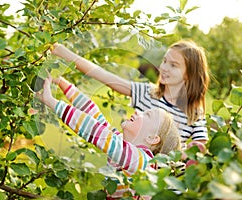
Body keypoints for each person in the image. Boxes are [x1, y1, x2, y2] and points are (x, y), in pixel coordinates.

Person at [37, 73, 181, 198]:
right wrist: (64, 84)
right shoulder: (122, 146)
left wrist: (51, 101)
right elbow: (93, 115)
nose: (138, 111)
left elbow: (94, 130)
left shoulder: (142, 161)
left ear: (152, 138)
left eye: (147, 114)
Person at [50, 39, 210, 149]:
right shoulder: (146, 93)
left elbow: (199, 148)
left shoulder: (194, 113)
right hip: (128, 175)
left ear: (189, 74)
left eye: (173, 65)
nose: (164, 68)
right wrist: (66, 54)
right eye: (164, 61)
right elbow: (104, 75)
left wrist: (195, 150)